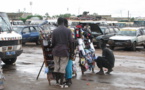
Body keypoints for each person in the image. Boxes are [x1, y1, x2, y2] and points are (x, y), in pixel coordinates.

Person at [52, 17, 73, 88]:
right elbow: (71, 41)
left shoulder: (54, 31)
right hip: (64, 51)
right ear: (63, 22)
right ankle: (61, 82)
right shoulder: (68, 31)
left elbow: (53, 42)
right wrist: (72, 52)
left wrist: (54, 48)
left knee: (56, 66)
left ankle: (57, 81)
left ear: (58, 22)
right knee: (63, 67)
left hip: (56, 51)